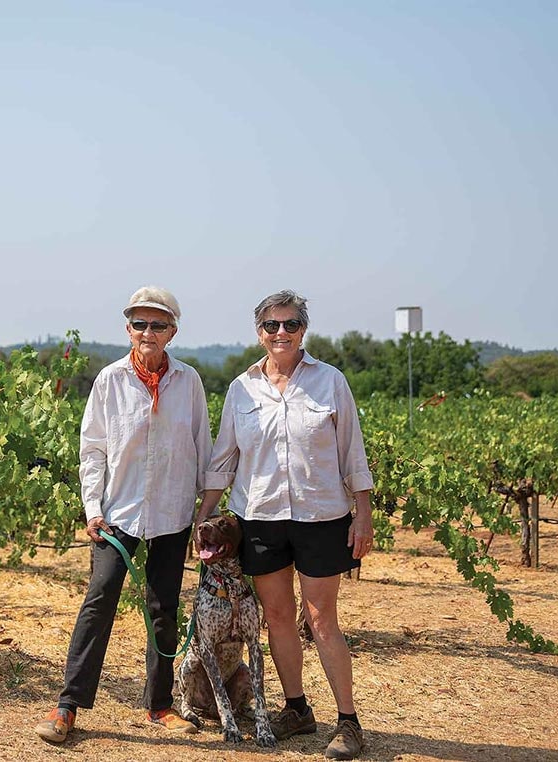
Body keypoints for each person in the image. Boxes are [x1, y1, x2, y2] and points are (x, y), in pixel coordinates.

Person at [193, 290, 374, 760]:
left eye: (290, 325)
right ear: (259, 332)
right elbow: (223, 461)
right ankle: (297, 709)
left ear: (303, 330)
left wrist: (364, 514)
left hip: (321, 516)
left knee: (320, 620)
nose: (281, 333)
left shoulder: (330, 382)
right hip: (261, 517)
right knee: (276, 617)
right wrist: (203, 518)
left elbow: (353, 453)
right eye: (271, 326)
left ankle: (349, 722)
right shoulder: (241, 388)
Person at [35, 286, 212, 744]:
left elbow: (202, 448)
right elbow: (92, 450)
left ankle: (159, 705)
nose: (147, 332)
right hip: (118, 513)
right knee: (100, 600)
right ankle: (68, 705)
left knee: (164, 608)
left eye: (158, 324)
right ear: (127, 329)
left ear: (173, 331)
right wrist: (92, 508)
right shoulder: (111, 380)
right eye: (139, 323)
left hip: (173, 511)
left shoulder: (188, 382)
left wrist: (204, 510)